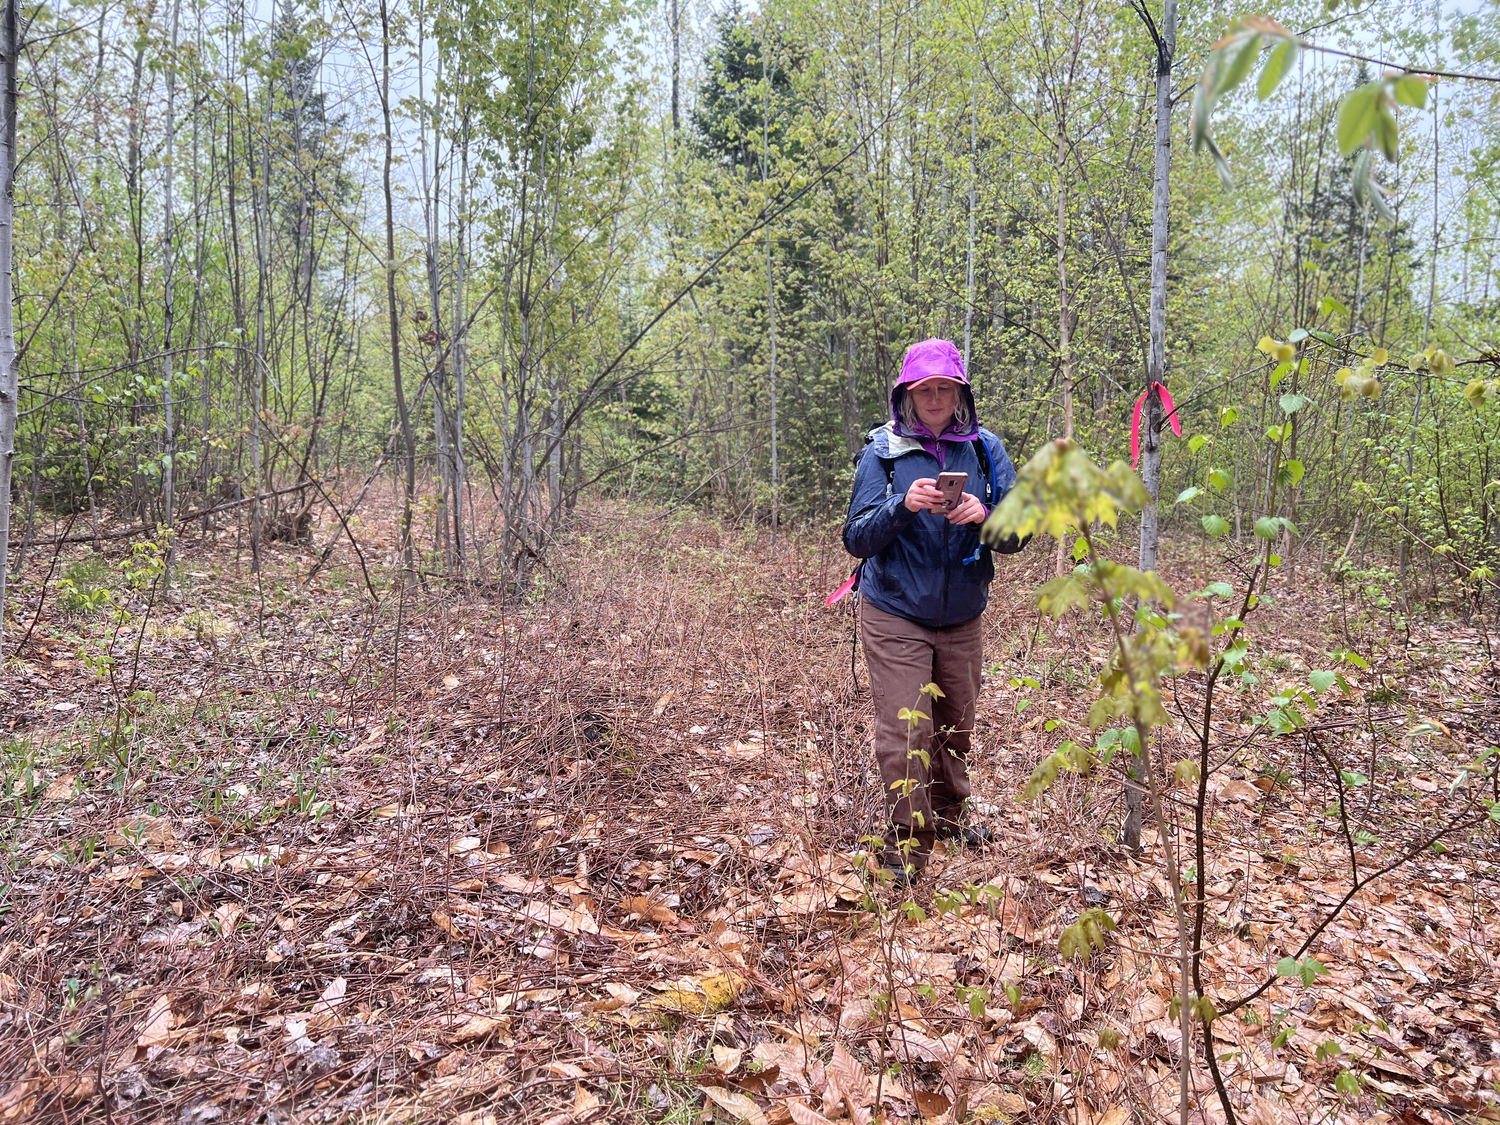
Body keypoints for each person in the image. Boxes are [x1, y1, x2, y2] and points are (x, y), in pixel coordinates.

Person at [842, 338, 1026, 884]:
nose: (936, 397)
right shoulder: (883, 451)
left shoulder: (987, 450)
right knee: (906, 728)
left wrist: (983, 515)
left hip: (963, 612)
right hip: (895, 608)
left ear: (960, 392)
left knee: (955, 726)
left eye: (946, 387)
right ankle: (906, 839)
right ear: (908, 394)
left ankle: (949, 816)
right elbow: (856, 537)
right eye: (926, 389)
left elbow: (1018, 534)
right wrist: (902, 505)